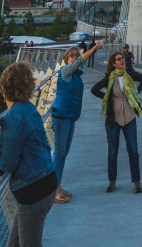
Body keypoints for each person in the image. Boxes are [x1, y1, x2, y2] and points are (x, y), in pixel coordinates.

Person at [0, 63, 56, 247]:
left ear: (3, 88)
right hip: (46, 183)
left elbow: (9, 163)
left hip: (34, 192)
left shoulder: (13, 119)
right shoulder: (29, 108)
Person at [51, 40, 103, 203]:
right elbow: (81, 61)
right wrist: (94, 48)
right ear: (66, 59)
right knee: (59, 153)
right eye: (71, 56)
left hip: (71, 115)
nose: (74, 58)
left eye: (76, 55)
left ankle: (58, 186)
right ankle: (53, 190)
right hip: (61, 115)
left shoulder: (75, 76)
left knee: (64, 152)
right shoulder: (65, 71)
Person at [91, 52, 142, 193]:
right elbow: (94, 90)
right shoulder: (109, 78)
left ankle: (136, 182)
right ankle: (112, 182)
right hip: (113, 119)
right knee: (112, 151)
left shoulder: (129, 74)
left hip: (129, 117)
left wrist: (135, 93)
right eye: (119, 59)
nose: (122, 60)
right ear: (113, 63)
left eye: (123, 58)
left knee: (133, 150)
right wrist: (107, 98)